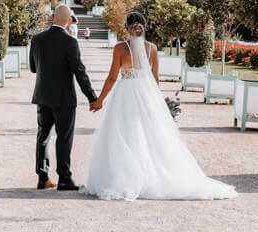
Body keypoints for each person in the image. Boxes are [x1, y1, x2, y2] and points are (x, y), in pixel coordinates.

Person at [81, 11, 237, 201]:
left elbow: (113, 77)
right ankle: (149, 176)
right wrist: (154, 102)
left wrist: (100, 100)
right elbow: (154, 79)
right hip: (146, 93)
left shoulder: (120, 48)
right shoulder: (152, 49)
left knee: (123, 133)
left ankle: (124, 177)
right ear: (144, 27)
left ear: (126, 28)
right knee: (149, 135)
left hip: (125, 94)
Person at [29, 3, 100, 190]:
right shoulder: (70, 42)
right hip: (64, 98)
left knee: (42, 136)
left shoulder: (37, 39)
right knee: (64, 138)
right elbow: (80, 72)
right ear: (69, 21)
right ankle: (64, 178)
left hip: (43, 96)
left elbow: (33, 68)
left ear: (52, 17)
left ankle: (42, 178)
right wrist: (92, 97)